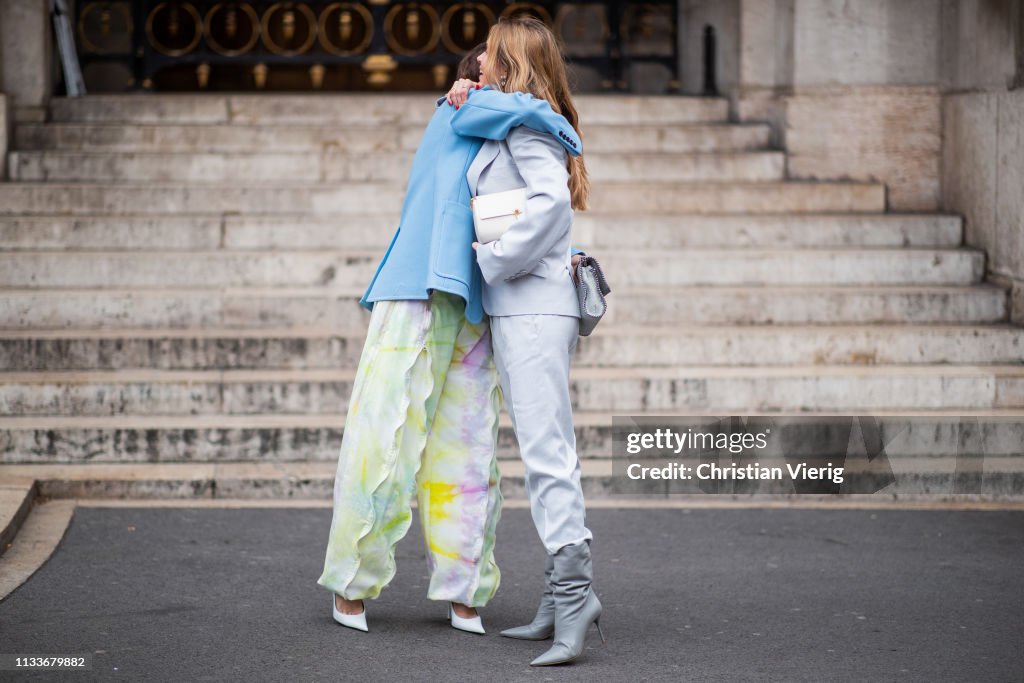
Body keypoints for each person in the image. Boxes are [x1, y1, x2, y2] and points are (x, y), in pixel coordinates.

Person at [316, 44, 584, 635]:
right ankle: (351, 585)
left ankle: (465, 592)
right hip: (415, 286)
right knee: (384, 438)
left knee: (468, 451)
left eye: (497, 58)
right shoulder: (461, 108)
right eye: (485, 61)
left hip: (474, 299)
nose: (490, 67)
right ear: (474, 75)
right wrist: (551, 116)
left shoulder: (502, 123)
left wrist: (538, 114)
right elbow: (530, 116)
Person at [447, 16, 604, 666]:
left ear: (507, 60)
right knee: (546, 451)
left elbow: (550, 207)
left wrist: (491, 260)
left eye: (486, 51)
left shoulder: (528, 122)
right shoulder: (512, 116)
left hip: (534, 304)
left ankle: (574, 600)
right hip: (525, 306)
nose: (477, 57)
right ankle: (558, 596)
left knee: (547, 455)